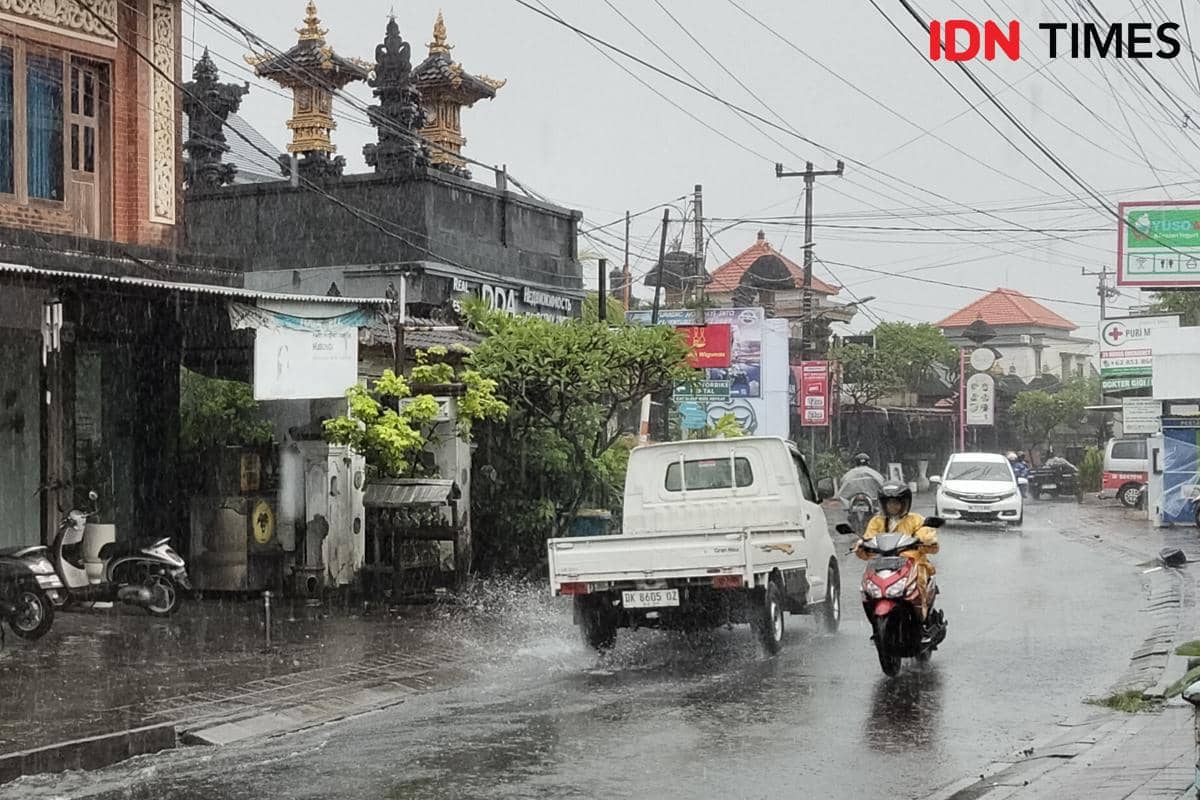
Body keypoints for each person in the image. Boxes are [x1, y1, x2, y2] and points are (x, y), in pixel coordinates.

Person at [854, 482, 939, 621]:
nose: (893, 507)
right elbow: (868, 538)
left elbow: (928, 536)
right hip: (882, 565)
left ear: (904, 503)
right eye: (889, 503)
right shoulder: (876, 521)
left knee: (919, 584)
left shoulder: (916, 519)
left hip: (912, 564)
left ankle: (922, 618)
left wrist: (922, 540)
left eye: (896, 503)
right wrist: (861, 545)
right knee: (867, 590)